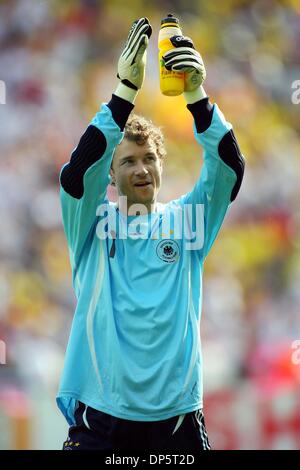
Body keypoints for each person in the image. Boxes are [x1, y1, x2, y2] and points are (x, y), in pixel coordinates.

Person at [57, 17, 245, 451]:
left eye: (148, 159)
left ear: (161, 164)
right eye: (127, 162)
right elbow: (75, 173)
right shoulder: (89, 222)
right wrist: (123, 92)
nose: (141, 169)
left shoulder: (189, 221)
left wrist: (197, 95)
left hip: (175, 425)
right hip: (101, 420)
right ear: (111, 172)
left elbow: (229, 167)